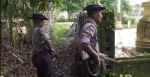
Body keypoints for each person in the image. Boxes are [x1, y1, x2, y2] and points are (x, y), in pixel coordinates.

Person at [79, 4, 108, 77]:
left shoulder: (90, 25)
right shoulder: (90, 27)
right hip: (88, 64)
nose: (101, 16)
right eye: (100, 13)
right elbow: (84, 43)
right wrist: (96, 56)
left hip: (88, 63)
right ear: (95, 14)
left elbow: (89, 44)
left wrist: (99, 54)